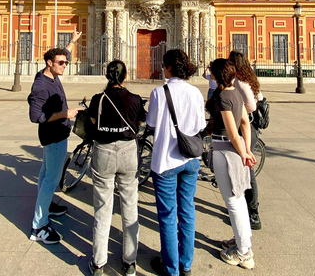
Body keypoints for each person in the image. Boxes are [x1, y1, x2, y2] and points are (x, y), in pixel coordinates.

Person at [147, 49, 206, 276]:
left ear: (169, 67)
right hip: (190, 160)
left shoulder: (158, 93)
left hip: (165, 162)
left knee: (168, 215)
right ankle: (186, 264)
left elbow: (151, 123)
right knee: (188, 211)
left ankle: (171, 268)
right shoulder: (196, 93)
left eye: (163, 65)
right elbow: (200, 126)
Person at [87, 60, 145, 276]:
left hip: (104, 152)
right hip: (128, 152)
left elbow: (93, 121)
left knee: (103, 208)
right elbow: (139, 123)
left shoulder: (98, 99)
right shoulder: (135, 99)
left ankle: (99, 262)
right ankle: (129, 262)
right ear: (126, 76)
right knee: (130, 205)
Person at [27, 28, 82, 244]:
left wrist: (72, 42)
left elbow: (63, 53)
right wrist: (64, 114)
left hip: (57, 134)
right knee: (51, 178)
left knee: (45, 173)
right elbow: (35, 116)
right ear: (50, 62)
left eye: (65, 62)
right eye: (61, 62)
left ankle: (47, 205)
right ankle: (38, 226)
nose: (65, 65)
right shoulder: (41, 85)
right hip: (53, 135)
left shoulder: (50, 73)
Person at [205, 58, 256, 269]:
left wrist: (244, 152)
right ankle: (243, 241)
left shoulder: (225, 97)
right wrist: (248, 148)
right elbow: (245, 123)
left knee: (233, 202)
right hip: (236, 151)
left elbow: (233, 133)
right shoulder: (235, 93)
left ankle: (244, 254)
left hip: (226, 152)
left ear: (217, 75)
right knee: (239, 199)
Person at [228, 50, 263, 230]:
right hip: (249, 127)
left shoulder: (240, 82)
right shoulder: (249, 78)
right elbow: (261, 98)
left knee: (247, 173)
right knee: (243, 170)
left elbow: (252, 105)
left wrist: (238, 110)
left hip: (246, 129)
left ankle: (253, 213)